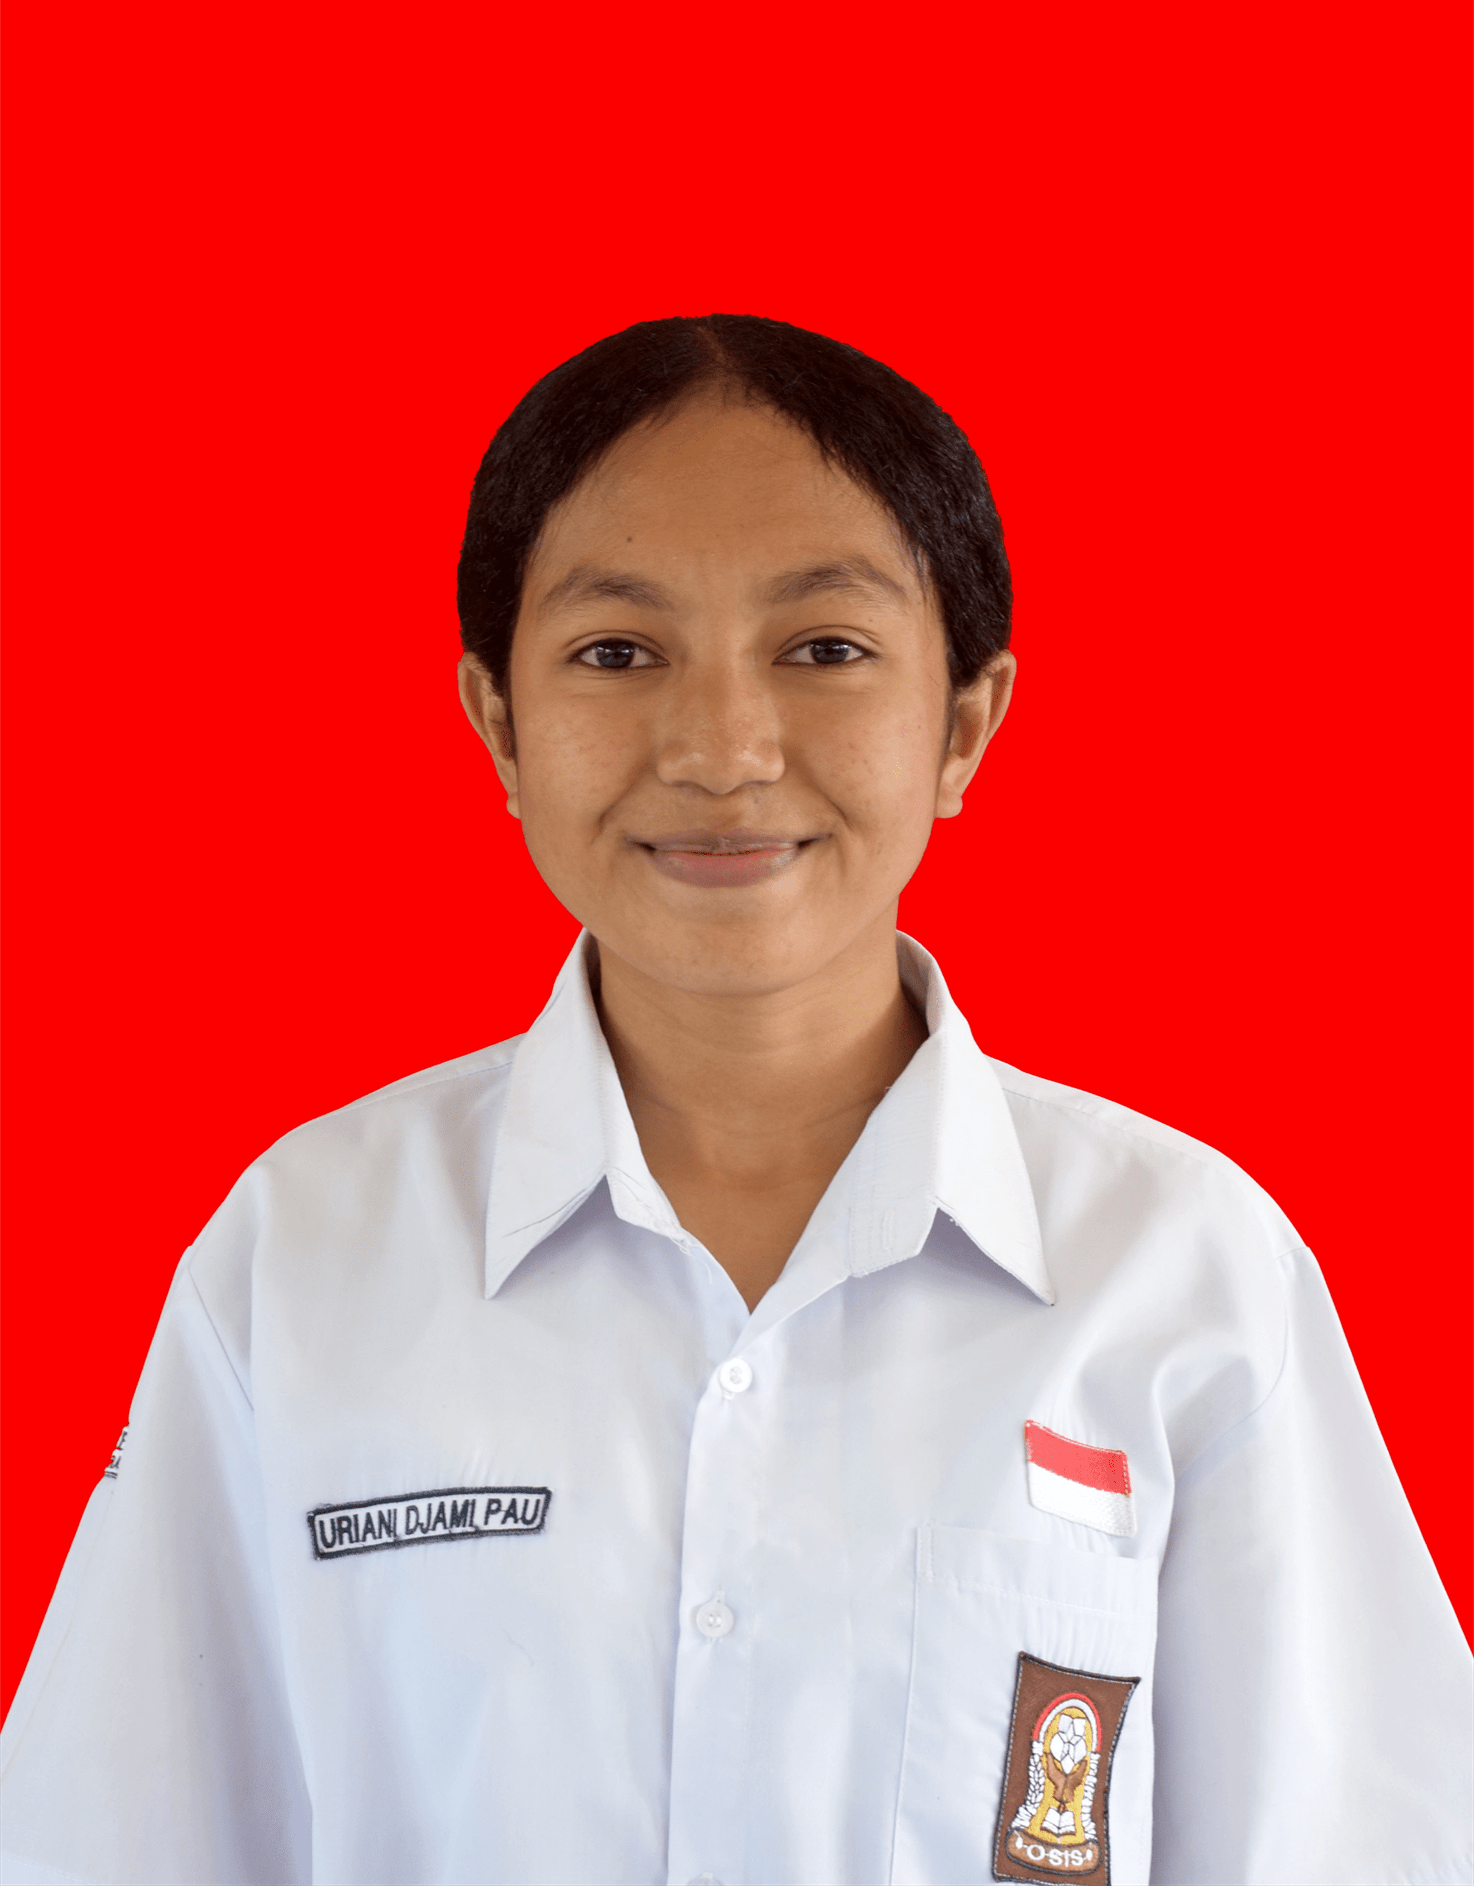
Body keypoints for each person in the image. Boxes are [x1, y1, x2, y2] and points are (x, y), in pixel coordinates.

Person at [1, 314, 1468, 1886]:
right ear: (498, 723)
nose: (720, 749)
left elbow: (1358, 1851)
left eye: (822, 649)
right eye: (616, 654)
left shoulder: (1182, 1268)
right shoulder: (302, 1254)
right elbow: (110, 1842)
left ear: (962, 723)